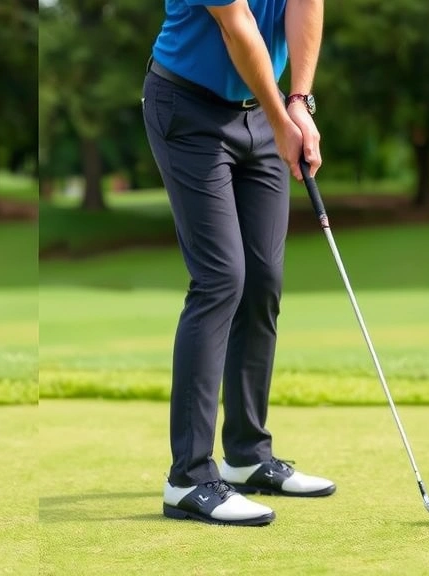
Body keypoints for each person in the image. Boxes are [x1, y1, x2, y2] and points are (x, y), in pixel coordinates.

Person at [142, 0, 335, 527]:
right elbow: (238, 25)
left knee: (264, 280)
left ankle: (247, 455)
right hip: (188, 109)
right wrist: (283, 119)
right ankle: (189, 478)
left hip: (262, 109)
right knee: (221, 278)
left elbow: (305, 3)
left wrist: (299, 101)